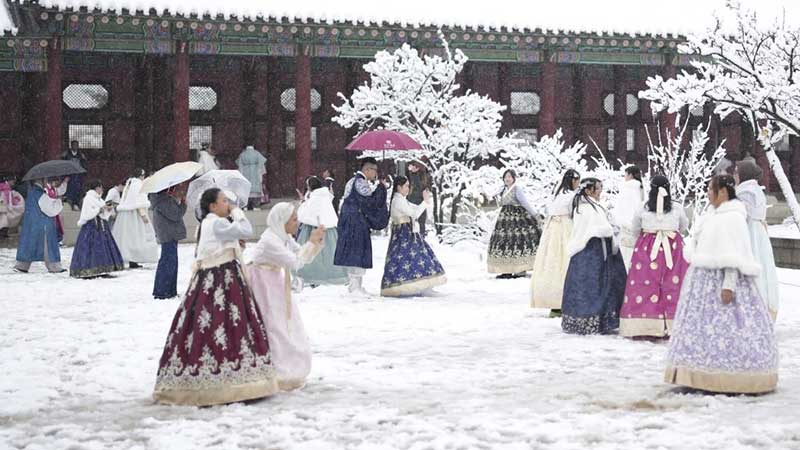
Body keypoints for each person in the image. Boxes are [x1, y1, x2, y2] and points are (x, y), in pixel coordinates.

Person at [153, 188, 279, 406]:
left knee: (204, 324)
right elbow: (247, 229)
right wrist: (238, 212)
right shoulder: (217, 222)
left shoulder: (208, 223)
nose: (227, 204)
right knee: (226, 323)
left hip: (208, 278)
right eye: (223, 201)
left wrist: (232, 241)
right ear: (212, 206)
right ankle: (228, 380)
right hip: (221, 278)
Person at [665, 175, 778, 394]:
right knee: (702, 327)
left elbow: (732, 256)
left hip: (722, 282)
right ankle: (697, 371)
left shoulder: (733, 218)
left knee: (729, 327)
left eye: (711, 189)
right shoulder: (714, 215)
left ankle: (731, 375)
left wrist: (728, 285)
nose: (708, 193)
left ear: (723, 192)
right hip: (704, 280)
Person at [246, 203, 325, 390]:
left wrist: (315, 243)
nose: (297, 223)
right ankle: (276, 370)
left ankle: (288, 367)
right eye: (294, 219)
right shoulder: (270, 240)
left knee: (282, 323)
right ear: (282, 221)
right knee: (273, 326)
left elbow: (300, 254)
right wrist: (311, 242)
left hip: (274, 282)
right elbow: (294, 261)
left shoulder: (283, 237)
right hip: (262, 285)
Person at [619, 175, 689, 338]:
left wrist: (646, 237)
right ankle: (672, 324)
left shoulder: (643, 207)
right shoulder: (677, 208)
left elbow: (636, 228)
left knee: (645, 285)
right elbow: (683, 226)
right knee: (672, 285)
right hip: (673, 248)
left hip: (647, 248)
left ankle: (644, 326)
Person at [561, 178, 627, 334]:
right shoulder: (585, 208)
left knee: (596, 285)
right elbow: (598, 228)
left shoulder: (590, 206)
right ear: (589, 190)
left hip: (595, 251)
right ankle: (591, 320)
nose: (600, 192)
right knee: (593, 285)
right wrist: (609, 230)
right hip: (591, 251)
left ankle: (599, 320)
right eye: (598, 189)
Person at [380, 175, 446, 296]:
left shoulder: (401, 199)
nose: (408, 189)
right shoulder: (398, 200)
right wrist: (425, 202)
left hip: (407, 233)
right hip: (404, 234)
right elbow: (414, 213)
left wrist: (423, 202)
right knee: (409, 259)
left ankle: (422, 286)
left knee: (416, 257)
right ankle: (410, 287)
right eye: (406, 186)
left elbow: (413, 208)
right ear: (399, 187)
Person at [334, 157, 390, 296]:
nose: (375, 173)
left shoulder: (353, 181)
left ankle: (356, 286)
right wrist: (381, 188)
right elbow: (370, 202)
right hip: (355, 222)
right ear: (367, 169)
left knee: (354, 252)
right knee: (356, 252)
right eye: (374, 170)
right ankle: (354, 287)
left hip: (351, 221)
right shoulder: (360, 183)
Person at [530, 169, 580, 316]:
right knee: (566, 262)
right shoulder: (572, 196)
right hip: (566, 228)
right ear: (573, 180)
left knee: (552, 263)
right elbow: (575, 213)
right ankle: (567, 300)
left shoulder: (556, 195)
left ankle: (553, 300)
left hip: (551, 230)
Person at [735, 160, 780, 321]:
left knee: (750, 266)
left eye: (736, 172)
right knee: (762, 266)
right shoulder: (754, 189)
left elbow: (741, 214)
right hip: (757, 232)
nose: (735, 175)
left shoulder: (746, 192)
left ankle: (752, 310)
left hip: (750, 232)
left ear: (743, 174)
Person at [487, 169, 541, 278]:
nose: (507, 179)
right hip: (504, 220)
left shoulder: (517, 189)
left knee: (518, 242)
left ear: (514, 178)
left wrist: (535, 214)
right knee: (504, 242)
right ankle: (506, 270)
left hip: (517, 219)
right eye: (505, 177)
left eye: (509, 177)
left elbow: (524, 202)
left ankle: (520, 269)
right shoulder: (503, 189)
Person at [296, 176, 348, 286]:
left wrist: (302, 203)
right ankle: (333, 274)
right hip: (329, 229)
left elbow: (305, 214)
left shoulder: (315, 197)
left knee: (312, 253)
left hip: (314, 229)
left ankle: (312, 275)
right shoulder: (325, 196)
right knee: (331, 252)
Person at [69, 180, 125, 278]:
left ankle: (103, 268)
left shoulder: (98, 198)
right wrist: (100, 209)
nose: (102, 190)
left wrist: (107, 208)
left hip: (101, 225)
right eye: (100, 187)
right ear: (97, 188)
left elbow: (102, 209)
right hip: (91, 226)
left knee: (102, 247)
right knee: (91, 247)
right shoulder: (89, 198)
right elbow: (88, 213)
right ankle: (88, 269)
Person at [14, 178, 66, 273]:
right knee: (49, 247)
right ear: (41, 181)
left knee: (28, 245)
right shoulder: (41, 194)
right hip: (43, 225)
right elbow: (50, 210)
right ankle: (54, 266)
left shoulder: (32, 193)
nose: (47, 182)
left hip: (31, 225)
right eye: (45, 180)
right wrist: (59, 202)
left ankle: (22, 265)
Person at [112, 170, 159, 269]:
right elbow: (138, 201)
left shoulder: (129, 184)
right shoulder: (137, 184)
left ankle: (128, 258)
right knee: (136, 236)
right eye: (143, 175)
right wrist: (143, 214)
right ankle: (133, 259)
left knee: (127, 237)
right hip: (135, 214)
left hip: (127, 213)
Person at [149, 186, 187, 299]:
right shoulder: (163, 201)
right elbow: (176, 215)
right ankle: (163, 291)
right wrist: (183, 203)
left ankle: (169, 290)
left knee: (170, 263)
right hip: (169, 235)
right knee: (168, 263)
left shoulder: (160, 200)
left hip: (168, 235)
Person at [613, 165, 644, 269]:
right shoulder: (641, 189)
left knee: (625, 258)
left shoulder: (626, 189)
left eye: (625, 175)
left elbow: (619, 209)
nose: (624, 177)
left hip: (625, 227)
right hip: (638, 228)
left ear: (630, 175)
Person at [236, 145, 268, 210]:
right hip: (255, 172)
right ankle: (255, 206)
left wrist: (241, 174)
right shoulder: (257, 153)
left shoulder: (243, 154)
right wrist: (261, 172)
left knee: (246, 190)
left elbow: (240, 165)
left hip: (245, 172)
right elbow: (261, 164)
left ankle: (245, 206)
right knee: (256, 190)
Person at [406, 161, 431, 237]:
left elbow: (420, 186)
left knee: (421, 223)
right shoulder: (409, 174)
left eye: (414, 166)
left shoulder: (422, 175)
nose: (412, 168)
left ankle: (421, 239)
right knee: (412, 223)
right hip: (412, 201)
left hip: (420, 202)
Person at [62, 140, 88, 210]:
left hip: (78, 176)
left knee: (78, 190)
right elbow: (63, 165)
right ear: (71, 146)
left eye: (77, 145)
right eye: (74, 145)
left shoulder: (81, 155)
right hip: (69, 176)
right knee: (69, 190)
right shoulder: (66, 154)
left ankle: (76, 203)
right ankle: (69, 204)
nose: (75, 146)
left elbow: (84, 166)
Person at [0, 174, 25, 240]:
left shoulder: (5, 187)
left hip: (3, 207)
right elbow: (8, 199)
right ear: (9, 181)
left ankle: (4, 234)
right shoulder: (6, 188)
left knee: (4, 221)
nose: (14, 183)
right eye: (13, 181)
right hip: (4, 208)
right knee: (4, 221)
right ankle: (2, 234)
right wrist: (15, 202)